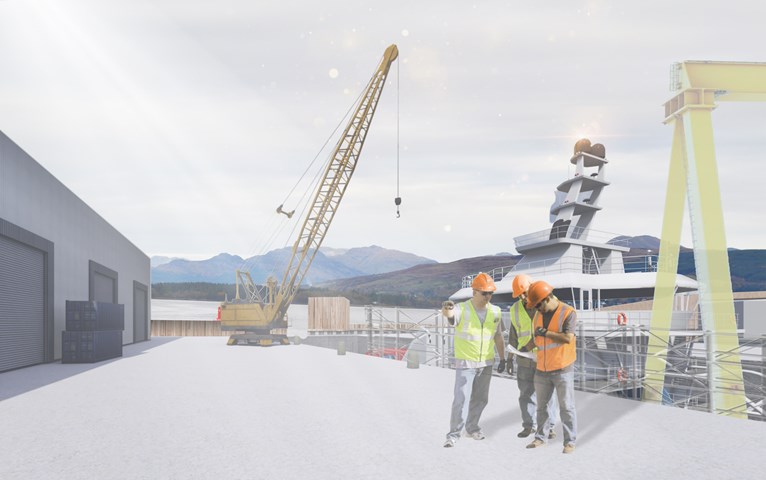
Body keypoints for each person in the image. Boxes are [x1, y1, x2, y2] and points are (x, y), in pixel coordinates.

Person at [441, 272, 506, 448]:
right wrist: (447, 310)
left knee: (481, 399)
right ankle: (453, 434)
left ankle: (472, 428)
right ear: (474, 292)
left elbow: (498, 336)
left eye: (491, 293)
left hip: (486, 363)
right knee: (461, 399)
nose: (488, 296)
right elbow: (451, 316)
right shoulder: (462, 309)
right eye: (484, 293)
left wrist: (503, 359)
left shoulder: (496, 311)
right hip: (466, 363)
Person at [524, 280, 578, 454]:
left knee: (566, 407)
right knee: (542, 407)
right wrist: (523, 349)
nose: (537, 309)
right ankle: (540, 438)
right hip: (542, 368)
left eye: (538, 305)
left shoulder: (568, 312)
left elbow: (568, 338)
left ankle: (569, 442)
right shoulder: (538, 315)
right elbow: (537, 339)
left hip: (562, 369)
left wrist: (547, 333)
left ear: (547, 298)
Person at [505, 274, 557, 439]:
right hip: (524, 360)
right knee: (526, 394)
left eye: (525, 292)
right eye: (519, 294)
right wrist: (509, 358)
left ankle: (550, 427)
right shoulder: (514, 309)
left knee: (547, 395)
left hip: (545, 357)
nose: (522, 297)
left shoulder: (546, 302)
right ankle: (529, 426)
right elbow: (513, 335)